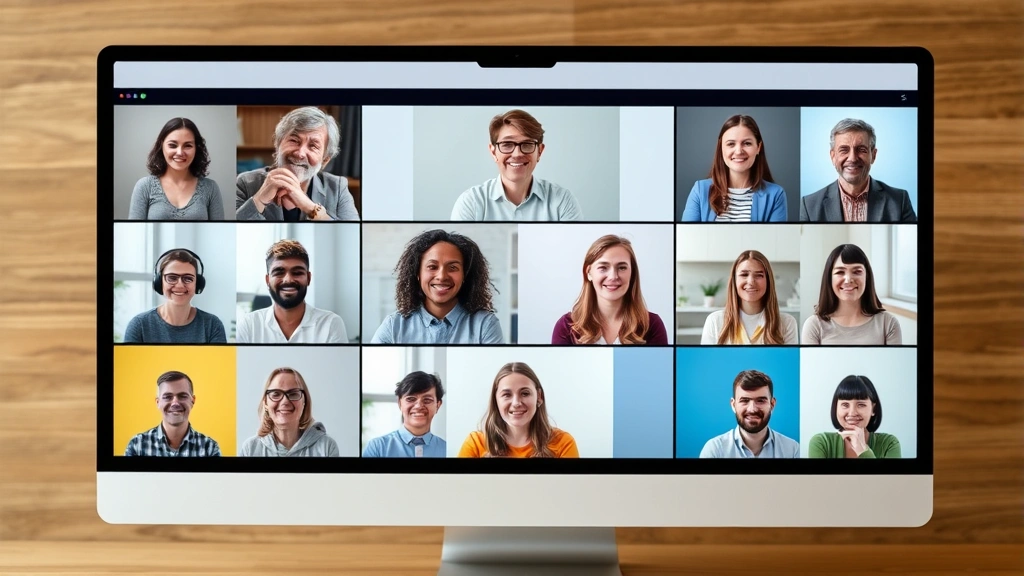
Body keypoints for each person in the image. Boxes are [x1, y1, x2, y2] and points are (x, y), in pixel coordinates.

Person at [371, 229, 503, 344]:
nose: (442, 276)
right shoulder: (394, 325)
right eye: (432, 267)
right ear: (418, 273)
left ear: (465, 275)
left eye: (453, 267)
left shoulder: (485, 324)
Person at [451, 109, 583, 221]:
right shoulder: (470, 203)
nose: (517, 153)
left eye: (527, 144)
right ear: (493, 151)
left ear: (540, 151)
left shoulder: (563, 201)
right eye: (507, 144)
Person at [235, 106, 359, 221]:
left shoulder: (338, 188)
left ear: (324, 160)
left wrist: (310, 207)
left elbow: (352, 234)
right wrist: (259, 200)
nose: (300, 153)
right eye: (294, 140)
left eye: (313, 146)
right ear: (278, 144)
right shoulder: (245, 183)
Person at [551, 235, 667, 345]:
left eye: (622, 268)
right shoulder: (566, 326)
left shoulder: (652, 325)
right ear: (588, 273)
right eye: (603, 267)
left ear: (632, 274)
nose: (613, 276)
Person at [799, 118, 917, 222]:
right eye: (844, 150)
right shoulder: (809, 206)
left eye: (861, 149)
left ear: (873, 155)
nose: (853, 158)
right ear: (833, 156)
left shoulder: (899, 200)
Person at [236, 239, 348, 343]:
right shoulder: (249, 325)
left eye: (297, 273)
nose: (288, 280)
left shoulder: (331, 324)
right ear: (267, 280)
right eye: (279, 272)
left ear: (308, 278)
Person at [458, 362, 579, 458]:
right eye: (507, 395)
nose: (516, 403)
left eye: (525, 393)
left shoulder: (564, 443)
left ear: (539, 397)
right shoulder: (475, 443)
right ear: (496, 400)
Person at [680, 115, 788, 222]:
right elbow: (686, 238)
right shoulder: (699, 191)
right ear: (721, 148)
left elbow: (774, 239)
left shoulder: (776, 195)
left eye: (747, 143)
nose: (738, 151)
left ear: (758, 148)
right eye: (731, 144)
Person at [802, 244, 902, 345]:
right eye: (840, 272)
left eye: (857, 271)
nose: (848, 280)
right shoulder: (814, 326)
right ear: (829, 279)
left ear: (867, 277)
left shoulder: (888, 324)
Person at [128, 118, 225, 220]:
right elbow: (134, 233)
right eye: (172, 145)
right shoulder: (144, 187)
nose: (179, 152)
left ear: (196, 148)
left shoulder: (211, 188)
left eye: (188, 145)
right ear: (162, 146)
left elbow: (219, 233)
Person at [123, 249, 227, 343]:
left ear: (197, 284)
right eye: (172, 278)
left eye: (188, 278)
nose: (180, 285)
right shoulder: (139, 325)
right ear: (160, 282)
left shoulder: (212, 325)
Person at [700, 250, 798, 345]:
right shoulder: (715, 321)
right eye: (744, 274)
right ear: (734, 281)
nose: (751, 281)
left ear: (768, 281)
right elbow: (708, 361)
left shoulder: (787, 323)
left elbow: (790, 362)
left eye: (759, 275)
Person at [238, 367, 340, 457]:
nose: (285, 401)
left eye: (293, 394)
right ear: (265, 402)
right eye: (276, 394)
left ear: (304, 401)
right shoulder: (250, 449)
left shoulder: (327, 447)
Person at [699, 369, 799, 458]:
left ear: (772, 404)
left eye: (760, 400)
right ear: (733, 405)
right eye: (744, 400)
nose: (752, 409)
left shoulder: (792, 450)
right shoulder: (715, 450)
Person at [124, 370, 221, 456]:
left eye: (182, 396)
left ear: (193, 401)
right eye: (167, 397)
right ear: (158, 402)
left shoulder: (210, 448)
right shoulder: (137, 445)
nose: (175, 403)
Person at [808, 375, 901, 458]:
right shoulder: (821, 443)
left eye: (861, 405)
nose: (852, 413)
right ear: (836, 408)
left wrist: (863, 451)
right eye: (845, 404)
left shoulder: (889, 444)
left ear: (873, 409)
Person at [362, 371, 447, 458]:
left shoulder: (448, 450)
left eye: (427, 400)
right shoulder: (377, 448)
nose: (418, 406)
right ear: (399, 403)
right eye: (411, 399)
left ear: (438, 405)